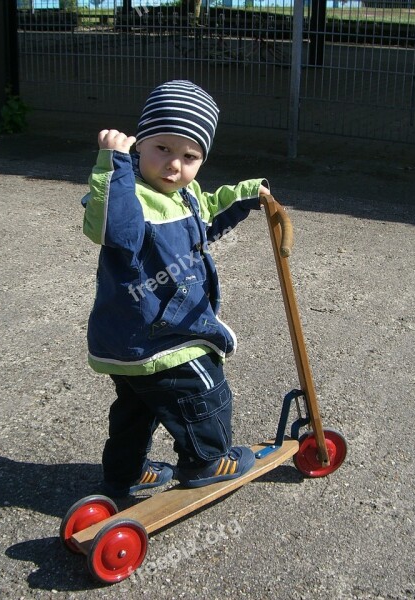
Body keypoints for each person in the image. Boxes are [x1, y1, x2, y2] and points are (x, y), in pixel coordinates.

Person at [81, 80, 270, 497]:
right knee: (204, 389)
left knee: (137, 409)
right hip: (161, 335)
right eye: (162, 148)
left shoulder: (184, 196)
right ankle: (206, 459)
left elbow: (206, 223)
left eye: (189, 156)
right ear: (139, 144)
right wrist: (112, 164)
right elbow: (112, 227)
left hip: (134, 340)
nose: (173, 165)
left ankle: (124, 473)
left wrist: (246, 196)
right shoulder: (128, 195)